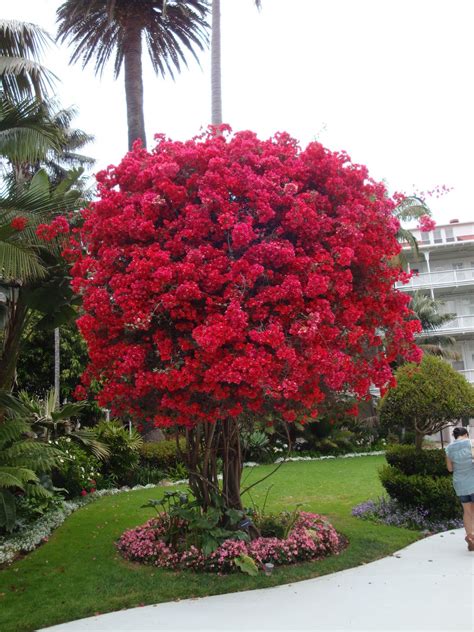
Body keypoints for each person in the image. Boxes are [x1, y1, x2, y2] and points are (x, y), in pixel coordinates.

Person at [445, 427, 474, 551]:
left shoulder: (448, 448)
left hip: (460, 483)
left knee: (467, 512)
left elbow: (450, 469)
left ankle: (470, 536)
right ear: (466, 434)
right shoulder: (471, 443)